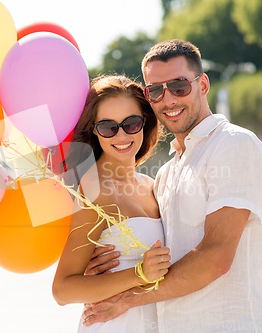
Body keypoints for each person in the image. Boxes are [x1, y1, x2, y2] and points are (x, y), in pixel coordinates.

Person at [81, 40, 262, 333]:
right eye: (155, 90)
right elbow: (154, 253)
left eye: (179, 86)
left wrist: (126, 300)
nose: (168, 99)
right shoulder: (166, 173)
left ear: (203, 84)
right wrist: (101, 272)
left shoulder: (234, 144)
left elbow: (215, 257)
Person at [52, 74, 171, 333]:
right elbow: (62, 289)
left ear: (145, 123)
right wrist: (138, 273)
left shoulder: (151, 185)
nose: (121, 135)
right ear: (94, 131)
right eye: (108, 127)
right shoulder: (94, 190)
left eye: (131, 123)